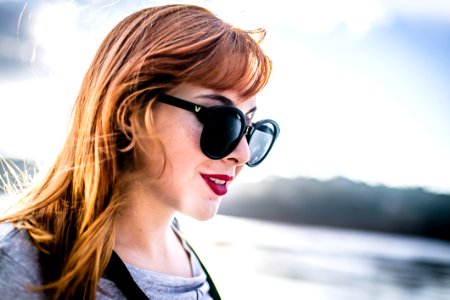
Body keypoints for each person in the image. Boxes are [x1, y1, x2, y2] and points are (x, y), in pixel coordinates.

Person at [0, 4, 279, 300]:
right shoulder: (25, 267)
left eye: (249, 126)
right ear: (128, 112)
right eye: (222, 121)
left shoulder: (180, 244)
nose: (243, 153)